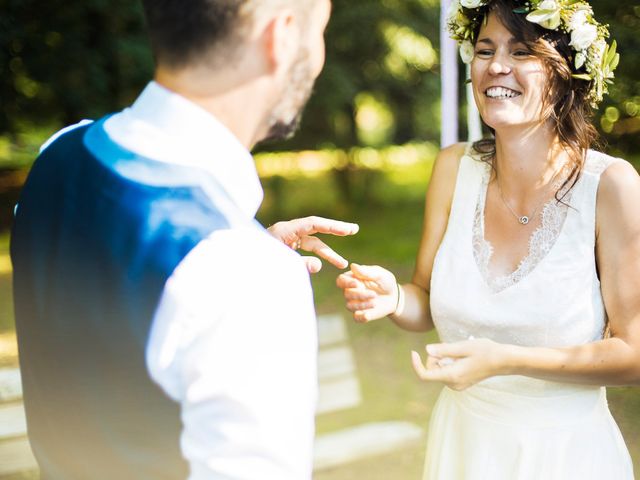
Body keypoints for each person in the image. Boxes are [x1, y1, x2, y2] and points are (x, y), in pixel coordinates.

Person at [11, 1, 358, 479]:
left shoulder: (58, 154)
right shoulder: (243, 272)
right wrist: (247, 272)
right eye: (319, 30)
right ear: (280, 36)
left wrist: (246, 252)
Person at [337, 0, 639, 478]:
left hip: (564, 455)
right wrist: (394, 297)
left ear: (566, 75)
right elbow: (424, 299)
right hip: (464, 447)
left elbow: (634, 354)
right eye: (484, 49)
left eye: (521, 52)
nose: (496, 66)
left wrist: (506, 360)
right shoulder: (452, 169)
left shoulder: (610, 186)